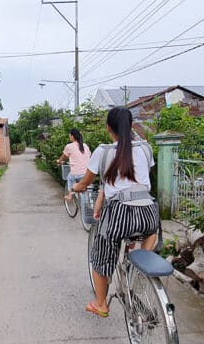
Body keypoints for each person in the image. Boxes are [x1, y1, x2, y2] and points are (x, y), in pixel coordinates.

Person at [73, 107, 159, 318]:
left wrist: (76, 188)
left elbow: (86, 181)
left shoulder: (103, 152)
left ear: (108, 128)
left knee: (100, 256)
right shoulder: (146, 149)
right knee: (152, 232)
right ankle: (139, 267)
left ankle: (101, 303)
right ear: (130, 126)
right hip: (148, 211)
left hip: (119, 214)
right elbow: (134, 182)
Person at [56, 128, 91, 201]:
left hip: (77, 173)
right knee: (85, 191)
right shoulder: (85, 146)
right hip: (87, 173)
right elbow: (88, 156)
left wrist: (59, 161)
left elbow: (63, 157)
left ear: (72, 136)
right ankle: (86, 205)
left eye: (69, 135)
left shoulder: (69, 146)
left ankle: (70, 195)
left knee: (69, 177)